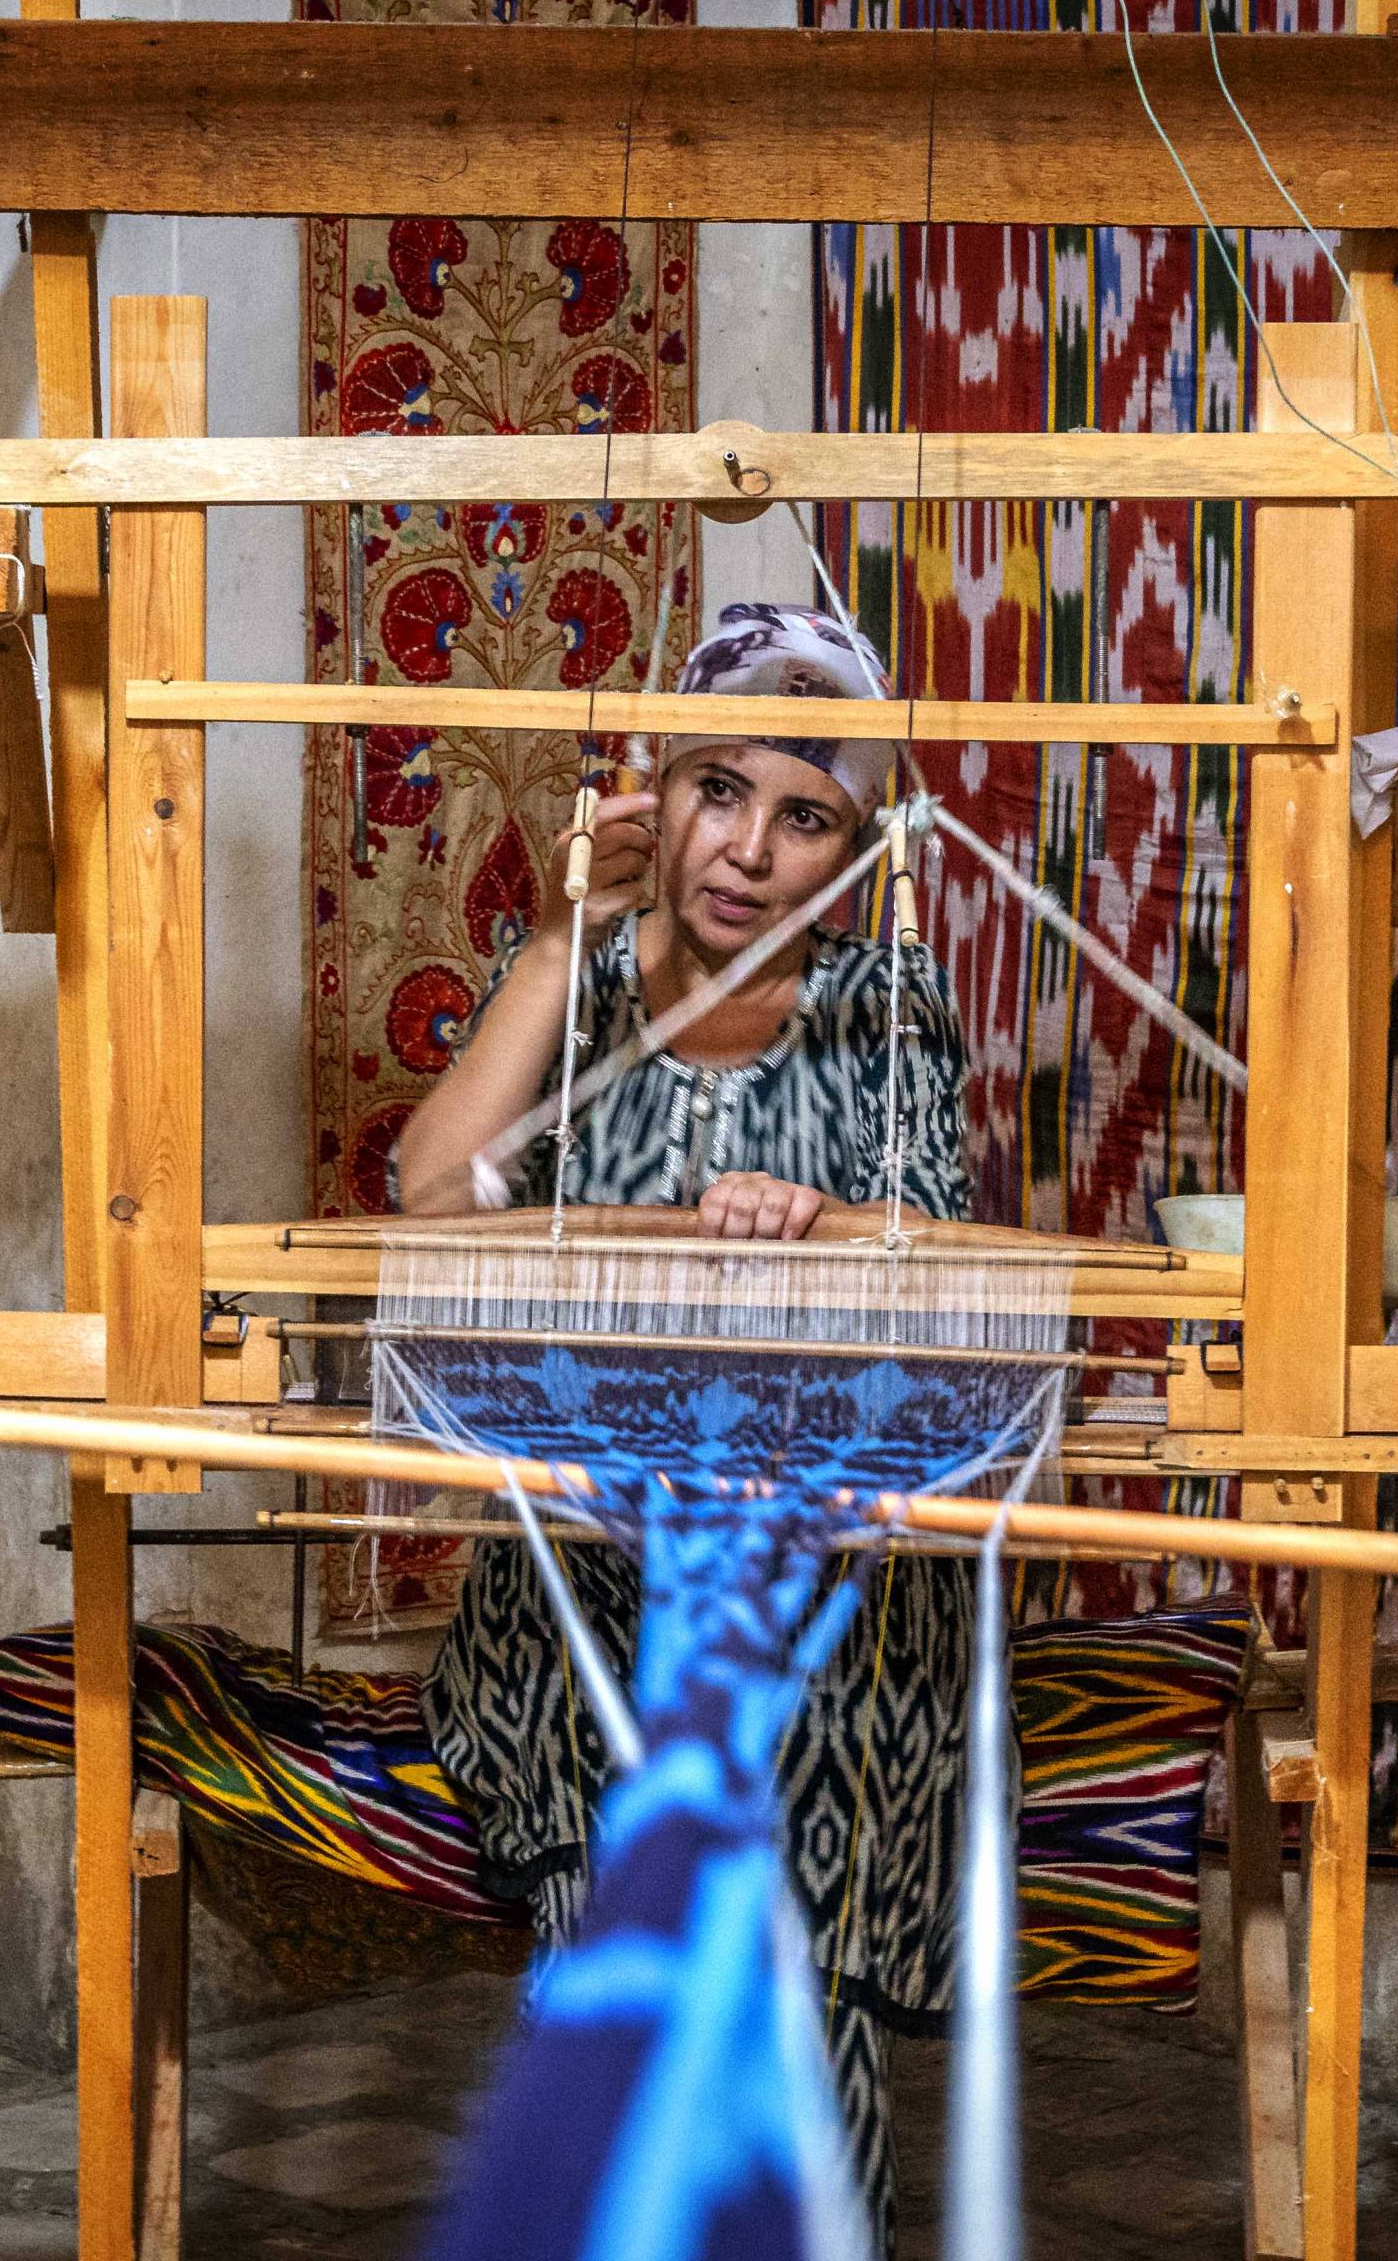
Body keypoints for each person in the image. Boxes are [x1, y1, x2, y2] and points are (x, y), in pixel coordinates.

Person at [394, 603, 975, 2253]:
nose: (748, 851)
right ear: (656, 796)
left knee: (805, 1936)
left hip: (827, 1593)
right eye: (719, 792)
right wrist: (569, 945)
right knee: (639, 1951)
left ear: (854, 853)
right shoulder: (571, 989)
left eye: (807, 819)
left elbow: (932, 1250)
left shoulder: (888, 1009)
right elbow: (433, 1198)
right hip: (591, 1584)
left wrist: (834, 1219)